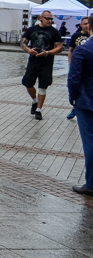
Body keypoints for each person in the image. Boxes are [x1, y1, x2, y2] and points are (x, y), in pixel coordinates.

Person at [22, 10, 64, 120]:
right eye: (47, 18)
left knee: (43, 85)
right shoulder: (32, 29)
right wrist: (29, 50)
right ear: (41, 18)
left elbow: (59, 47)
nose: (50, 21)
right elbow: (23, 43)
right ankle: (35, 101)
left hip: (46, 62)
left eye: (51, 19)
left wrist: (48, 53)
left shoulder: (54, 32)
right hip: (33, 61)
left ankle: (39, 110)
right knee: (27, 83)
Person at [67, 32, 93, 196]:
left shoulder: (83, 50)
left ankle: (91, 183)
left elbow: (74, 78)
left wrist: (73, 99)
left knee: (90, 143)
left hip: (87, 102)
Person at [66, 17, 91, 120]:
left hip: (88, 67)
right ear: (81, 25)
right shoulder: (76, 36)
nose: (86, 25)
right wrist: (71, 63)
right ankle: (75, 108)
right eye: (84, 23)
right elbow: (71, 50)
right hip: (77, 65)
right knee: (74, 84)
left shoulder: (91, 36)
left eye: (88, 23)